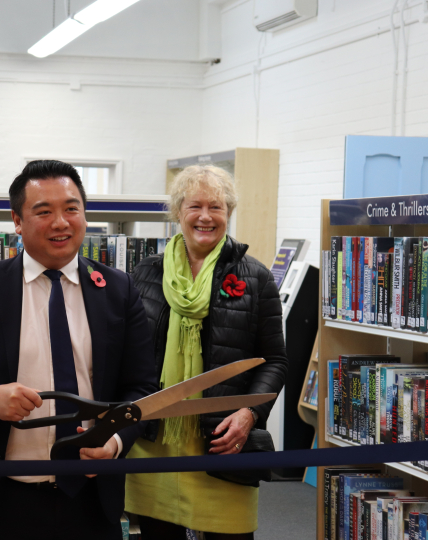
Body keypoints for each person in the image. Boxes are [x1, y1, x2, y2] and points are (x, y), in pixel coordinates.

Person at [0, 160, 158, 540]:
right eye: (44, 211)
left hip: (91, 498)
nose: (61, 222)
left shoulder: (118, 289)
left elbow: (142, 388)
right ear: (17, 221)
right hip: (4, 497)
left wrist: (115, 441)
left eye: (71, 208)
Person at [124, 165, 288, 540]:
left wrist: (250, 413)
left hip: (221, 444)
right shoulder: (144, 274)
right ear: (178, 211)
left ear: (228, 212)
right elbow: (127, 354)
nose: (205, 216)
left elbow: (275, 360)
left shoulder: (256, 278)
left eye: (216, 206)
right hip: (155, 443)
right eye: (194, 205)